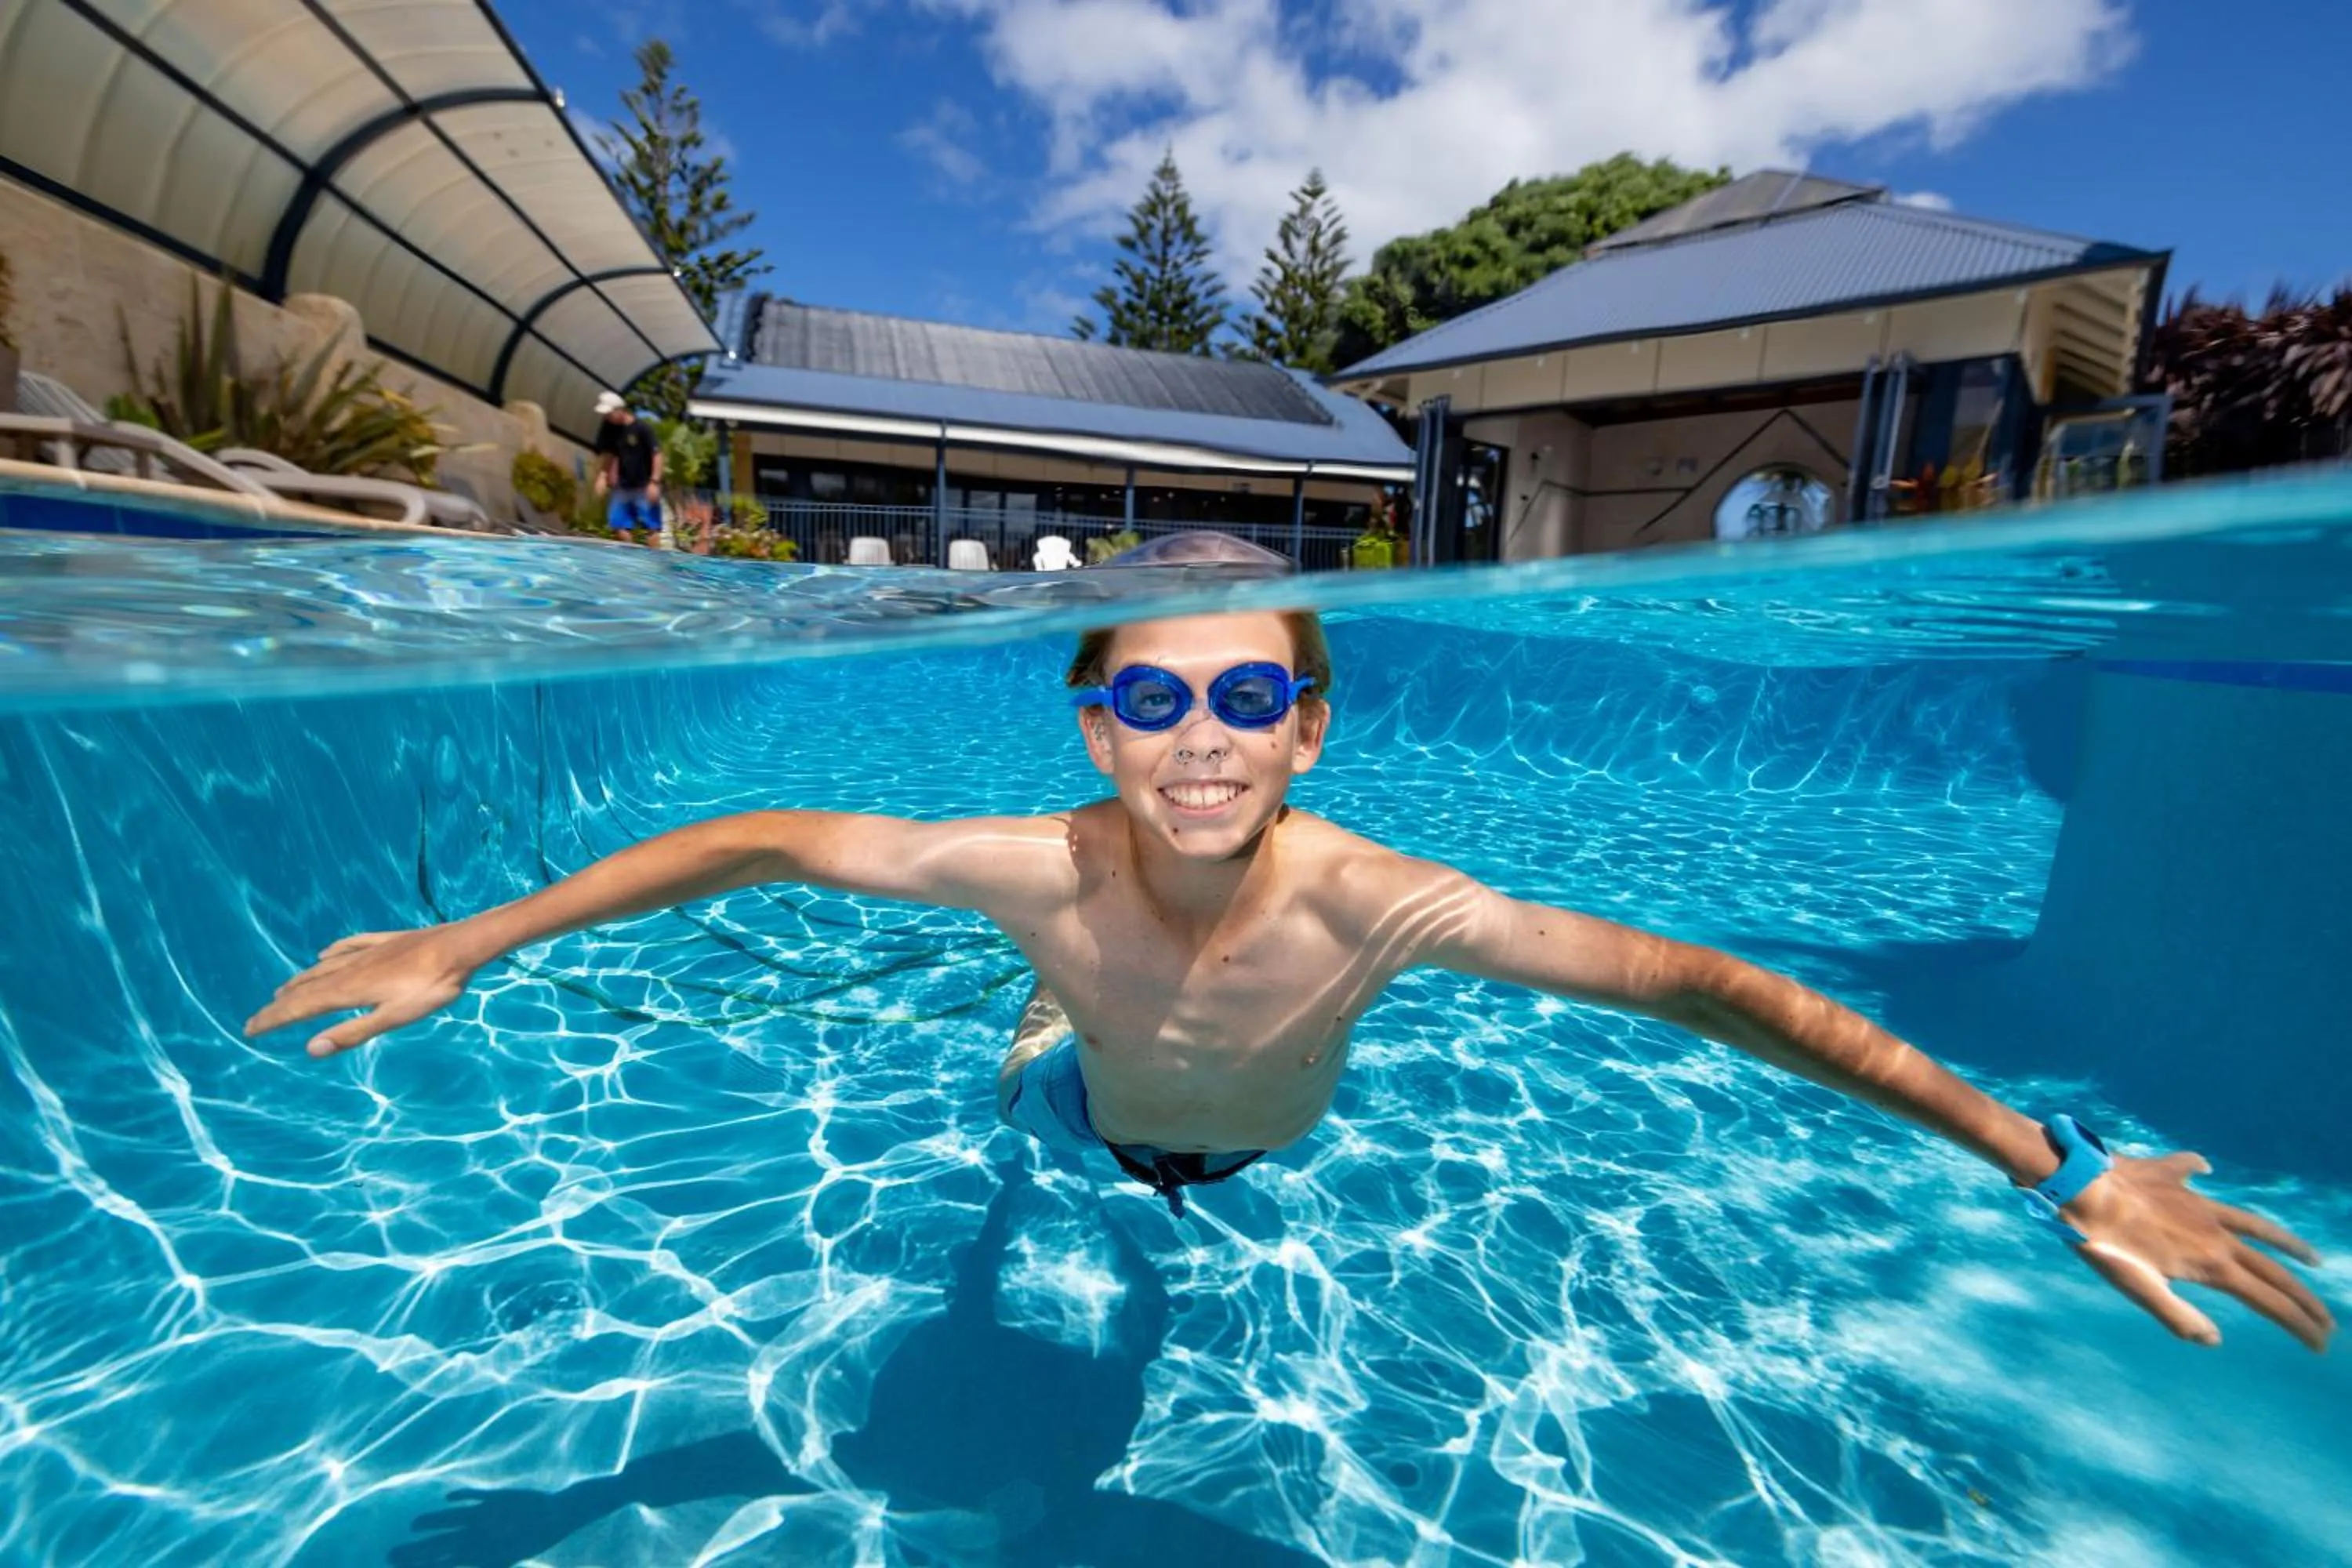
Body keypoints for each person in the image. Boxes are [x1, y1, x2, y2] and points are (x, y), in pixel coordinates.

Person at [246, 534, 2333, 1355]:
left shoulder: (1378, 900)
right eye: (1153, 700)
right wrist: (468, 936)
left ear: (1309, 727)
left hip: (1263, 1143)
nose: (1202, 739)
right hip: (1083, 1108)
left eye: (1248, 697)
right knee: (1030, 1115)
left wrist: (2053, 1161)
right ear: (1096, 725)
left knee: (1126, 1100)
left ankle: (1068, 1047)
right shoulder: (1034, 858)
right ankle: (1037, 1044)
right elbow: (768, 836)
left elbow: (1715, 989)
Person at [591, 390, 663, 545]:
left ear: (620, 410)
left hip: (645, 485)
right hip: (623, 486)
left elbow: (657, 455)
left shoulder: (642, 428)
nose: (606, 417)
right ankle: (630, 554)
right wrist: (602, 476)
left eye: (609, 413)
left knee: (652, 528)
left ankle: (653, 558)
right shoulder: (609, 429)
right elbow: (609, 454)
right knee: (618, 525)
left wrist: (654, 482)